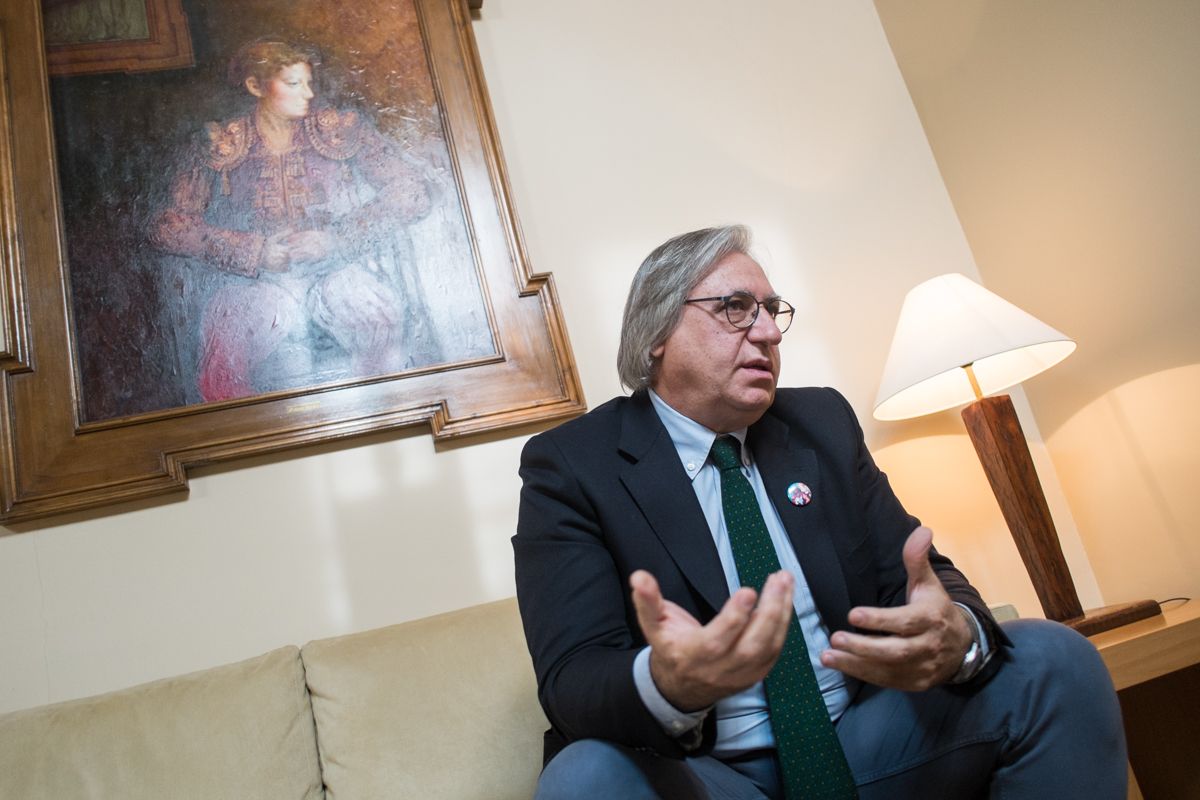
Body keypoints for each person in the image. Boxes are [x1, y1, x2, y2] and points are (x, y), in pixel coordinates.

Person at [512, 225, 1127, 799]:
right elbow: (573, 679)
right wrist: (672, 681)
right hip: (705, 772)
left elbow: (920, 576)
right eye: (734, 308)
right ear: (655, 335)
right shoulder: (572, 466)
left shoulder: (820, 423)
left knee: (1055, 659)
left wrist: (958, 634)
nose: (769, 333)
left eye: (773, 311)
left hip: (863, 741)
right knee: (583, 777)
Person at [152, 39, 441, 403]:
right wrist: (255, 252)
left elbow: (412, 192)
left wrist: (336, 239)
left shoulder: (338, 129)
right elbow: (169, 229)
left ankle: (386, 412)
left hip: (336, 269)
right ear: (256, 87)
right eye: (293, 84)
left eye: (308, 81)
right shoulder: (222, 143)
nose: (309, 93)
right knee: (226, 336)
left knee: (378, 314)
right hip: (259, 281)